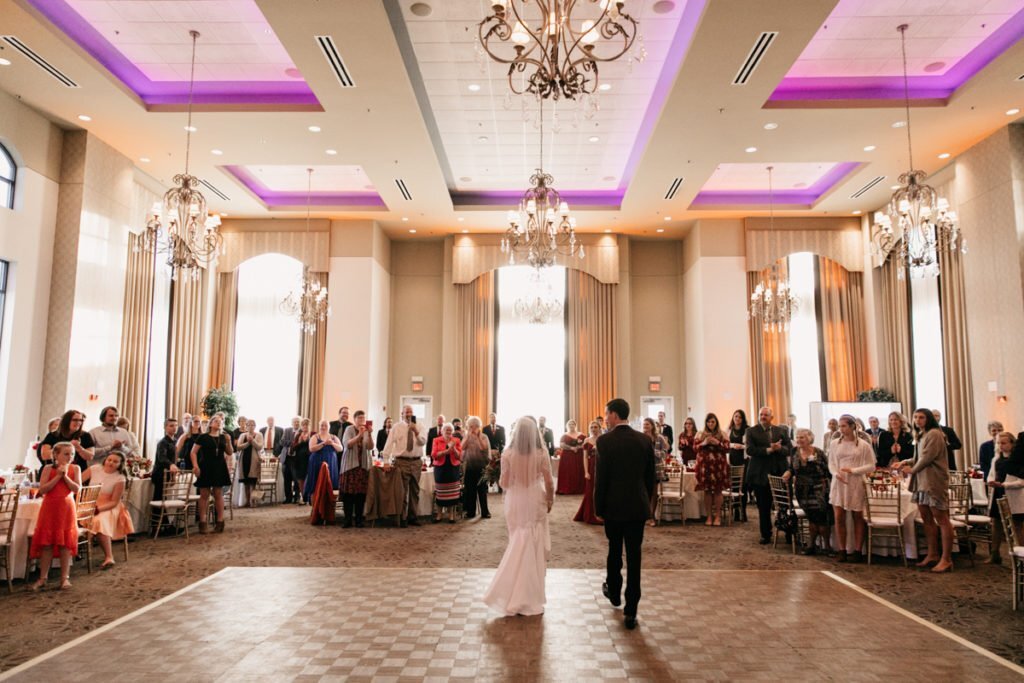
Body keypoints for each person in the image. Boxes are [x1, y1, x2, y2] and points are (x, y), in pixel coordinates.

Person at [483, 416, 555, 616]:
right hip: (535, 499)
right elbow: (549, 482)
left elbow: (504, 483)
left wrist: (513, 480)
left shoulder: (507, 454)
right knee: (532, 543)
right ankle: (529, 595)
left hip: (515, 500)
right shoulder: (542, 453)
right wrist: (551, 500)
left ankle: (512, 593)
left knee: (517, 540)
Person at [595, 399, 655, 630]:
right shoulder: (644, 440)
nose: (606, 418)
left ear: (613, 415)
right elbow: (650, 478)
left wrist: (598, 508)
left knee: (614, 550)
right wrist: (646, 503)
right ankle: (631, 611)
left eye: (606, 414)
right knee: (634, 557)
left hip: (613, 506)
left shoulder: (605, 441)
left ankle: (614, 591)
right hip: (637, 506)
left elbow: (602, 479)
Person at [899, 409, 954, 573]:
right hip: (921, 481)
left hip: (933, 481)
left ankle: (947, 558)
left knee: (941, 519)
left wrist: (912, 469)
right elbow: (919, 456)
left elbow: (928, 457)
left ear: (928, 419)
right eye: (915, 417)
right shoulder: (921, 435)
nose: (917, 420)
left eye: (921, 417)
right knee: (926, 518)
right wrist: (905, 462)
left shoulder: (935, 434)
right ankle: (932, 554)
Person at [29, 442, 82, 590]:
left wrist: (65, 477)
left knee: (65, 544)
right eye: (66, 454)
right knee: (47, 544)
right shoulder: (47, 468)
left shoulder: (75, 468)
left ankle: (65, 578)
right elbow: (44, 489)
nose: (69, 457)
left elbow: (77, 488)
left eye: (72, 454)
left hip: (66, 508)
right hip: (50, 507)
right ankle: (42, 577)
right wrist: (57, 476)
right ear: (56, 455)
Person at [828, 414, 875, 563]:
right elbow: (831, 463)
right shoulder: (835, 443)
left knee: (858, 517)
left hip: (856, 482)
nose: (841, 429)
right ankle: (842, 549)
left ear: (852, 426)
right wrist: (836, 474)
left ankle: (857, 550)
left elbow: (871, 465)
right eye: (840, 426)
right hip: (839, 482)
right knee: (839, 517)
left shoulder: (863, 445)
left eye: (844, 426)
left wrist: (854, 470)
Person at [744, 407, 792, 545]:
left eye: (766, 415)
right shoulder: (751, 431)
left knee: (784, 505)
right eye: (761, 414)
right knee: (763, 507)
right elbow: (750, 450)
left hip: (780, 473)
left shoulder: (781, 431)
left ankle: (789, 532)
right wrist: (769, 450)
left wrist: (779, 449)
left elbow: (789, 449)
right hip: (760, 474)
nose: (763, 417)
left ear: (772, 417)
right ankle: (766, 534)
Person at [783, 428, 831, 555]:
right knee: (811, 517)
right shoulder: (794, 451)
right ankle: (812, 545)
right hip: (801, 490)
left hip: (818, 489)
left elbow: (828, 470)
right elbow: (791, 468)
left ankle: (827, 546)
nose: (799, 440)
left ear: (809, 438)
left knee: (821, 517)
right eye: (797, 437)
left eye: (802, 437)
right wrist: (788, 472)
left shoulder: (818, 452)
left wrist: (815, 464)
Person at [82, 451, 134, 569]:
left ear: (120, 464)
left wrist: (98, 509)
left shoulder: (120, 478)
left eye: (115, 461)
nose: (111, 463)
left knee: (99, 521)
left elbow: (114, 502)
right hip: (89, 501)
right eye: (109, 460)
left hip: (110, 506)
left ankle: (109, 557)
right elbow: (78, 481)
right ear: (105, 460)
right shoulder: (94, 468)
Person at [381, 405, 427, 527]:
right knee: (402, 491)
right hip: (401, 461)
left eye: (410, 412)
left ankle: (413, 517)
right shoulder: (396, 427)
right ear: (402, 414)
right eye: (406, 412)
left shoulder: (420, 426)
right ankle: (402, 517)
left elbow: (423, 442)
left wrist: (415, 431)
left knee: (415, 491)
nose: (408, 414)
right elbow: (389, 444)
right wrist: (386, 460)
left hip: (416, 462)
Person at [191, 415, 233, 534]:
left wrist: (229, 441)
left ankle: (220, 521)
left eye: (220, 422)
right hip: (205, 467)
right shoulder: (203, 437)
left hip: (219, 467)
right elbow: (193, 452)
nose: (218, 423)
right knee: (204, 494)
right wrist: (195, 466)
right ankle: (203, 522)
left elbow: (229, 452)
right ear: (210, 424)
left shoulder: (223, 437)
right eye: (216, 421)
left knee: (218, 493)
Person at [986, 431, 1018, 564]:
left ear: (1012, 444)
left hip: (1012, 493)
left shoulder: (1016, 460)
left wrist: (1004, 484)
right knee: (996, 523)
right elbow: (991, 474)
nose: (1001, 446)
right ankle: (995, 553)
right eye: (999, 443)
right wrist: (991, 481)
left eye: (1004, 443)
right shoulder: (996, 459)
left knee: (1016, 525)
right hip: (998, 492)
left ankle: (1018, 554)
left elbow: (1020, 480)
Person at [695, 413, 730, 527]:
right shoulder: (700, 434)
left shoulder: (723, 434)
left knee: (718, 491)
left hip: (718, 467)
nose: (710, 424)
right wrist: (704, 443)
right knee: (707, 491)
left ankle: (718, 516)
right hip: (705, 467)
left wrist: (718, 443)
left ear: (716, 422)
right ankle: (709, 516)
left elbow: (727, 448)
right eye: (708, 422)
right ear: (706, 423)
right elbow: (695, 448)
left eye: (713, 422)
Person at [340, 411, 373, 528]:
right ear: (354, 419)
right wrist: (360, 434)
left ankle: (359, 519)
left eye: (363, 418)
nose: (362, 420)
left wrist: (369, 434)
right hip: (350, 466)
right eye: (359, 418)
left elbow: (370, 447)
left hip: (362, 467)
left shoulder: (365, 431)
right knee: (348, 494)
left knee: (360, 495)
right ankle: (347, 519)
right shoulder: (349, 429)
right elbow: (347, 444)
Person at [38, 410, 94, 477]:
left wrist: (79, 448)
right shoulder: (53, 435)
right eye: (75, 420)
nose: (78, 423)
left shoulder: (85, 436)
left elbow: (90, 456)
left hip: (76, 474)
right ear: (66, 421)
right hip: (53, 473)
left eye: (80, 420)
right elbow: (44, 455)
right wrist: (68, 446)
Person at [431, 423, 463, 524]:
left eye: (450, 430)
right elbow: (434, 455)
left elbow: (459, 456)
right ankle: (439, 514)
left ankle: (451, 515)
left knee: (453, 493)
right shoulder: (436, 440)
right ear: (442, 431)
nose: (448, 432)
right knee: (440, 493)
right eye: (446, 430)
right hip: (440, 469)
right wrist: (446, 451)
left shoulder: (456, 440)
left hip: (453, 468)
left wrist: (453, 449)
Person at [461, 416, 491, 520]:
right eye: (471, 426)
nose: (473, 429)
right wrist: (468, 437)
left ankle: (485, 512)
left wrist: (477, 437)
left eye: (475, 426)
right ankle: (471, 512)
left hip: (481, 467)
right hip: (469, 467)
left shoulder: (484, 436)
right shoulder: (466, 436)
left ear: (479, 427)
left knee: (482, 491)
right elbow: (462, 447)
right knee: (470, 491)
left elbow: (483, 447)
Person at [642, 417, 670, 526]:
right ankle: (645, 516)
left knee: (654, 493)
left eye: (647, 424)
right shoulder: (640, 437)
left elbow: (665, 452)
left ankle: (652, 516)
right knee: (644, 493)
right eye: (644, 425)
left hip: (656, 468)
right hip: (643, 468)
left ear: (652, 426)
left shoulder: (659, 438)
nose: (645, 427)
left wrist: (653, 451)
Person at [574, 420, 603, 525]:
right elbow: (585, 457)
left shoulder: (604, 439)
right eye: (592, 427)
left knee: (601, 490)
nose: (594, 429)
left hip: (602, 466)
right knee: (590, 490)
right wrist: (586, 472)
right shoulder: (586, 440)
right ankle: (590, 515)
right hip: (590, 466)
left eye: (596, 427)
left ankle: (601, 514)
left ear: (599, 428)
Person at [305, 420, 341, 503]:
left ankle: (328, 503)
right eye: (322, 425)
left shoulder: (334, 437)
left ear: (329, 427)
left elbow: (340, 448)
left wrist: (332, 444)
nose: (323, 427)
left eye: (325, 425)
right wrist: (324, 443)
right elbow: (311, 449)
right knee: (316, 480)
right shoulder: (315, 437)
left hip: (331, 462)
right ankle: (315, 503)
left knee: (330, 480)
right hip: (316, 461)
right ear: (319, 426)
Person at [236, 419, 264, 507]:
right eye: (249, 425)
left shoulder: (259, 435)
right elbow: (238, 447)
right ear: (246, 426)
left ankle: (253, 502)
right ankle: (247, 501)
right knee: (246, 482)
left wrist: (253, 441)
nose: (250, 427)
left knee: (253, 482)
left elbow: (259, 447)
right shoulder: (242, 435)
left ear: (255, 426)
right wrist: (248, 442)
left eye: (252, 425)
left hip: (254, 460)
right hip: (244, 460)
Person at [728, 410, 750, 520]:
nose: (737, 419)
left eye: (740, 417)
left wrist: (740, 446)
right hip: (732, 460)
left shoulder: (747, 429)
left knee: (743, 486)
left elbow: (749, 446)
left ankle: (744, 511)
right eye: (735, 416)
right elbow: (726, 443)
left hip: (744, 460)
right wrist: (733, 445)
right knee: (734, 486)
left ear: (743, 419)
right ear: (733, 417)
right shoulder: (729, 430)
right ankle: (736, 510)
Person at [152, 418, 179, 503]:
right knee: (159, 497)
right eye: (171, 426)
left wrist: (173, 474)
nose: (174, 428)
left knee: (165, 497)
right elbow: (162, 458)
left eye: (176, 425)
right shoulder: (162, 442)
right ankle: (158, 516)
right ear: (165, 428)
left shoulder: (175, 441)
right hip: (160, 473)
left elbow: (174, 458)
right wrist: (171, 465)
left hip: (168, 473)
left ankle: (164, 516)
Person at [556, 420, 587, 495]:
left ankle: (579, 488)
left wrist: (578, 447)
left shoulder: (581, 435)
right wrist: (571, 448)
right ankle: (567, 488)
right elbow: (562, 445)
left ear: (575, 425)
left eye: (573, 424)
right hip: (567, 456)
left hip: (579, 455)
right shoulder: (564, 435)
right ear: (567, 426)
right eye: (569, 424)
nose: (571, 425)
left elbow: (585, 444)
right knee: (568, 471)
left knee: (579, 470)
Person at [291, 418, 313, 504]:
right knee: (300, 479)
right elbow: (293, 448)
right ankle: (304, 497)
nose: (305, 426)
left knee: (309, 478)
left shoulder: (313, 434)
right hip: (299, 460)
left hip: (309, 459)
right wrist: (299, 442)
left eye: (307, 425)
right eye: (303, 425)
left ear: (310, 426)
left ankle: (310, 497)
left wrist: (308, 440)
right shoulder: (298, 435)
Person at [280, 416, 301, 504]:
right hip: (286, 458)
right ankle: (288, 498)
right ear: (292, 423)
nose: (296, 423)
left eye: (298, 422)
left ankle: (296, 497)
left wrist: (293, 443)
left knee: (296, 479)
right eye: (295, 422)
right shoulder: (287, 430)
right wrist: (293, 443)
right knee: (287, 479)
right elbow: (282, 442)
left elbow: (300, 444)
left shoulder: (302, 432)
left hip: (296, 459)